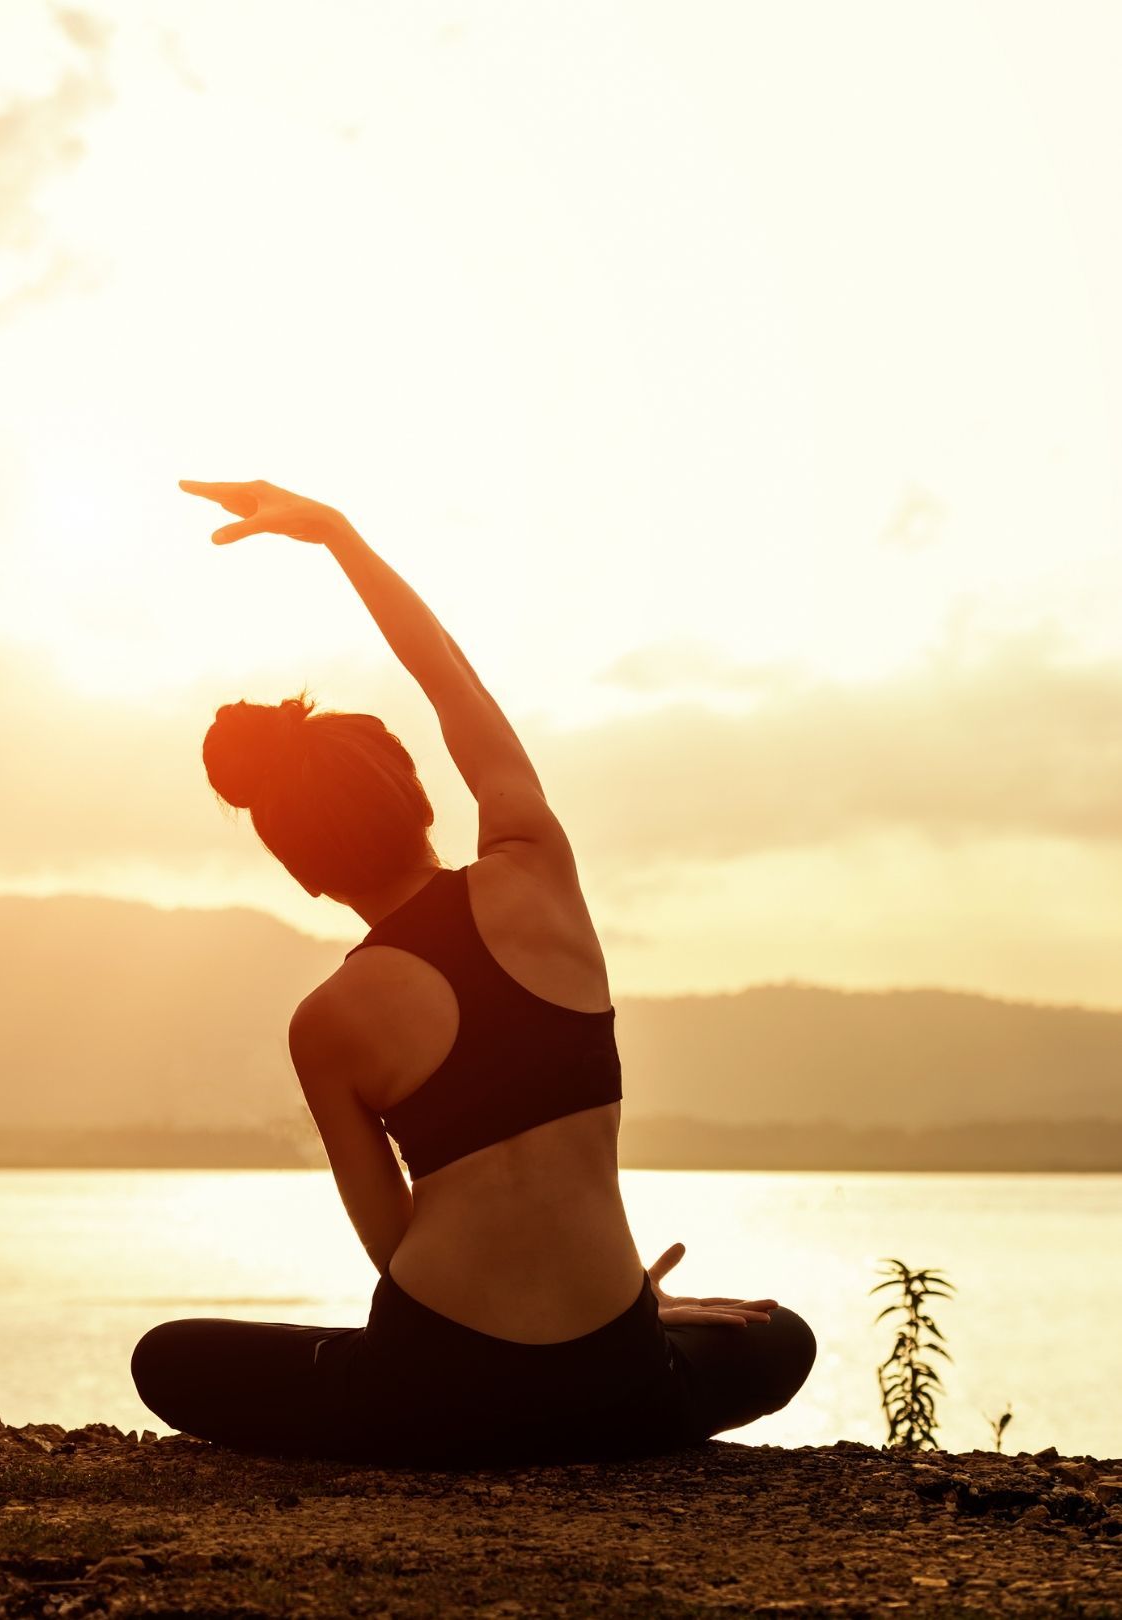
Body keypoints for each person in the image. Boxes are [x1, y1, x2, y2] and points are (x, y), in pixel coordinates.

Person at [130, 478, 816, 1466]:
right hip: (618, 1391)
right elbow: (452, 679)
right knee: (777, 1334)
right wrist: (337, 536)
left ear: (304, 873)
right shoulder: (538, 870)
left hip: (433, 1403)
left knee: (173, 1359)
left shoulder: (326, 1024)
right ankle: (631, 1336)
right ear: (417, 795)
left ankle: (453, 1397)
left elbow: (394, 1247)